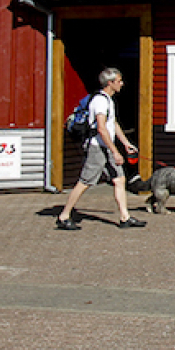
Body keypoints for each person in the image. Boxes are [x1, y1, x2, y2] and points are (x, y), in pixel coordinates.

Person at [55, 67, 145, 230]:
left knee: (119, 179)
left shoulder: (109, 100)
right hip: (97, 148)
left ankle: (125, 217)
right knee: (85, 182)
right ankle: (64, 216)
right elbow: (102, 129)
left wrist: (125, 143)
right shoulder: (100, 101)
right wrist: (115, 152)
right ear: (110, 83)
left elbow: (113, 124)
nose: (122, 84)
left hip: (106, 147)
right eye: (119, 81)